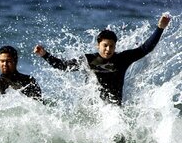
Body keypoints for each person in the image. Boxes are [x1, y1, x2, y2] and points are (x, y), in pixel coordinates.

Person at [33, 13, 171, 105]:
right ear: (98, 45)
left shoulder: (122, 59)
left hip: (114, 112)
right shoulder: (88, 60)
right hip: (95, 111)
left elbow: (144, 49)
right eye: (105, 45)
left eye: (111, 46)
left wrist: (160, 28)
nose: (108, 49)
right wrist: (45, 54)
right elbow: (62, 66)